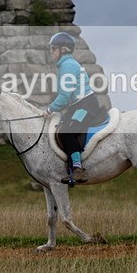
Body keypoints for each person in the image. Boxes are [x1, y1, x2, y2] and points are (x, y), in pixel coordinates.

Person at [43, 32, 105, 185]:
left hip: (85, 105)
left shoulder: (68, 65)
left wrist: (49, 110)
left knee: (67, 132)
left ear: (63, 50)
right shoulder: (66, 64)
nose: (51, 52)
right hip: (78, 105)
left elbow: (64, 95)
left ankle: (77, 169)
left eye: (54, 49)